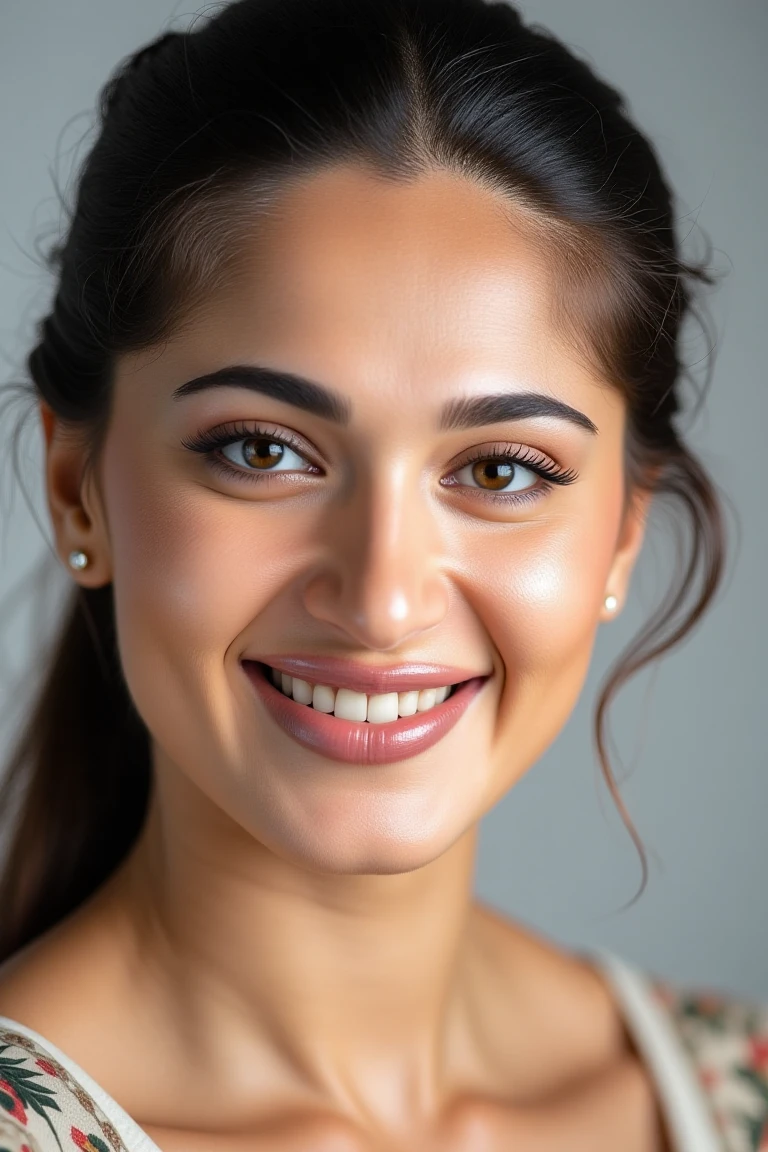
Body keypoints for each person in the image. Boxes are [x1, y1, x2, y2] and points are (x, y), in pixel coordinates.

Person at [0, 0, 765, 1148]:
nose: (382, 597)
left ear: (619, 537)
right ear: (81, 492)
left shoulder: (733, 1096)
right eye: (262, 451)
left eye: (503, 469)